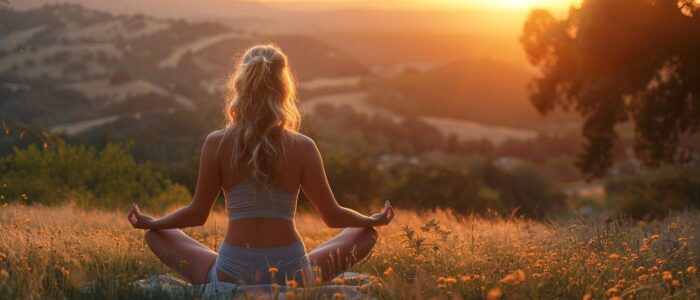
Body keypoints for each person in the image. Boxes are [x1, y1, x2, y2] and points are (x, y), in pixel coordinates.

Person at [127, 44, 395, 286]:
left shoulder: (217, 143)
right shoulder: (302, 146)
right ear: (283, 89)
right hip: (292, 273)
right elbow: (332, 216)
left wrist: (155, 222)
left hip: (232, 272)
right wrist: (371, 219)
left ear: (241, 86)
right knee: (366, 234)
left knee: (156, 235)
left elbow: (197, 214)